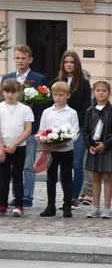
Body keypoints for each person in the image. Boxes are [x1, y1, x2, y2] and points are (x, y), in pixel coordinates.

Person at [4, 44, 47, 209]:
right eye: (17, 58)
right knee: (10, 165)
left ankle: (27, 196)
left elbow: (44, 104)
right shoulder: (8, 78)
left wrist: (31, 106)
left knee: (28, 164)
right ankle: (15, 196)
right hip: (10, 128)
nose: (20, 61)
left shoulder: (38, 79)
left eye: (23, 58)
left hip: (29, 128)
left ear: (30, 59)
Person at [38, 81, 79, 218]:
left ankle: (67, 205)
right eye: (55, 94)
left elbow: (75, 131)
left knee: (67, 177)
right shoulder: (47, 112)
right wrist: (45, 141)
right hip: (51, 150)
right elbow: (42, 129)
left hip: (66, 150)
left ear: (68, 95)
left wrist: (65, 143)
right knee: (51, 177)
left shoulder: (72, 113)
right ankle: (50, 206)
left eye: (61, 95)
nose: (58, 97)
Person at [82, 80, 112, 219]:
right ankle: (96, 207)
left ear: (108, 93)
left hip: (107, 148)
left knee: (107, 177)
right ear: (94, 92)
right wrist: (89, 146)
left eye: (104, 90)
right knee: (95, 178)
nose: (101, 93)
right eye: (98, 90)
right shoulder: (89, 111)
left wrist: (106, 144)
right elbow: (85, 130)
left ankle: (107, 208)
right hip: (94, 148)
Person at [57, 51, 91, 207]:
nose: (69, 64)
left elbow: (86, 106)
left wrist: (75, 123)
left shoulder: (83, 83)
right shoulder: (57, 81)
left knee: (77, 163)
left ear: (76, 64)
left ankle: (74, 197)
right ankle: (66, 196)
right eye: (66, 62)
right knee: (64, 164)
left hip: (78, 126)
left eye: (72, 62)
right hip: (60, 127)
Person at [0, 78, 34, 217]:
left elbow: (27, 129)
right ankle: (2, 204)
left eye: (13, 92)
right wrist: (2, 148)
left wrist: (15, 144)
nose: (10, 94)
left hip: (19, 146)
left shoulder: (25, 109)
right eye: (7, 91)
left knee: (18, 175)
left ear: (19, 93)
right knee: (3, 176)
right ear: (3, 92)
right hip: (3, 147)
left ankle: (19, 204)